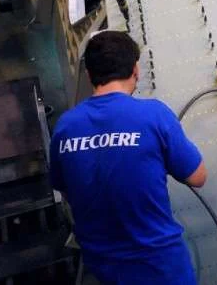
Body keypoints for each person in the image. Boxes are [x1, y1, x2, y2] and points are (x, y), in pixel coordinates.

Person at [50, 31, 206, 285]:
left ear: (89, 74)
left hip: (104, 266)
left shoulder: (65, 126)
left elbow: (67, 190)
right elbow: (198, 177)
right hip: (160, 267)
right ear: (136, 70)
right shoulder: (154, 115)